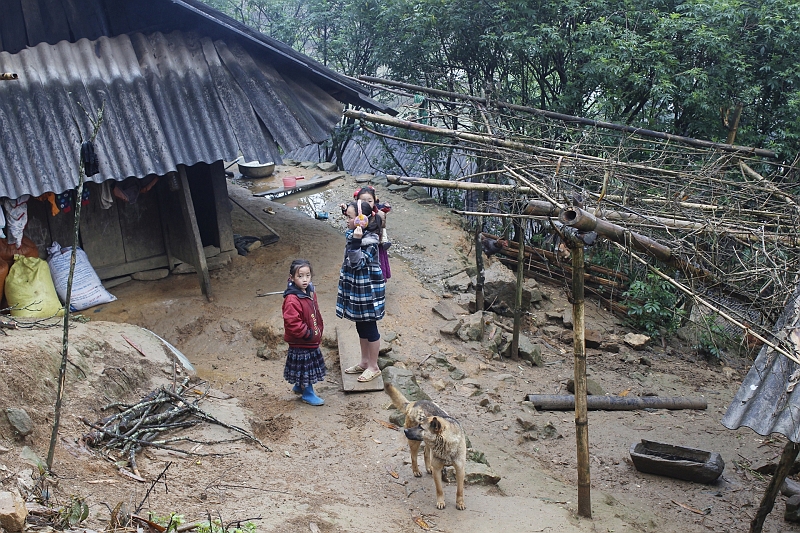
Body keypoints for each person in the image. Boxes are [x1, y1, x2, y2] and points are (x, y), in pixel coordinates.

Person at [336, 199, 386, 382]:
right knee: (360, 325)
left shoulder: (370, 241)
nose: (347, 221)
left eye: (349, 217)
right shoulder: (356, 233)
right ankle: (364, 362)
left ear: (361, 220)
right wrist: (345, 210)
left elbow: (358, 263)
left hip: (368, 292)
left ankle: (374, 366)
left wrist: (356, 242)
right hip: (358, 290)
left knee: (370, 328)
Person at [282, 259, 326, 405]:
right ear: (292, 277)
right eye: (300, 276)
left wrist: (318, 328)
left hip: (311, 337)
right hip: (302, 341)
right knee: (306, 368)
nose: (305, 280)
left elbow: (315, 312)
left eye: (307, 275)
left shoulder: (310, 293)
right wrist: (307, 334)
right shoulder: (291, 300)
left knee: (304, 367)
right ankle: (307, 393)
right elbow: (292, 323)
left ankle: (299, 385)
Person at [351, 186, 392, 279]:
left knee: (377, 265)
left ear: (374, 201)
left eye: (370, 201)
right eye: (363, 201)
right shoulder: (356, 214)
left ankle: (380, 280)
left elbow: (381, 228)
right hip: (360, 246)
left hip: (375, 247)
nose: (367, 204)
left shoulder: (377, 214)